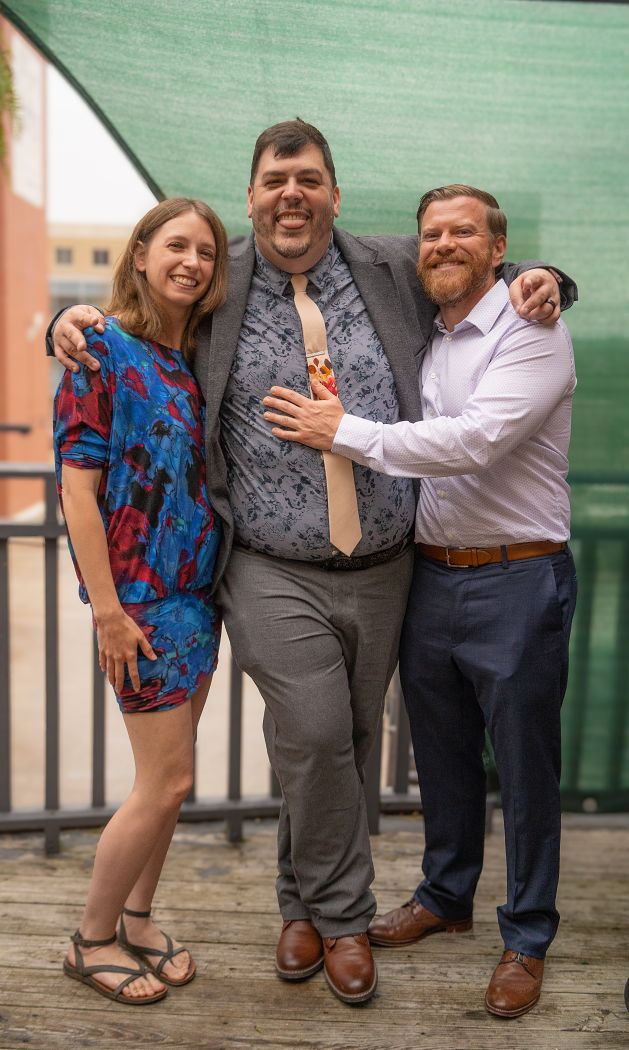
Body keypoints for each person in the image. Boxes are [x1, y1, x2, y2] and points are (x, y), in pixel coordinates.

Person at [49, 123, 575, 1006]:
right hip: (267, 565)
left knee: (345, 741)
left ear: (334, 192)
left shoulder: (390, 264)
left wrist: (548, 279)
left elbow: (473, 265)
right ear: (251, 196)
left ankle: (297, 899)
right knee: (319, 731)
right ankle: (340, 917)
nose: (289, 194)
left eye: (306, 179)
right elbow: (139, 328)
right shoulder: (218, 276)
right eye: (273, 181)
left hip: (386, 565)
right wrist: (66, 323)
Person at [261, 183, 577, 1018]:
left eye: (462, 232)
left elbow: (474, 442)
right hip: (429, 575)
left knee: (524, 766)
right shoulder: (425, 335)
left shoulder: (532, 330)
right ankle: (445, 895)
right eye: (430, 233)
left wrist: (342, 432)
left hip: (517, 577)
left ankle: (526, 934)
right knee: (439, 755)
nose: (441, 244)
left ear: (499, 250)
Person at [53, 197, 227, 1004]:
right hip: (141, 608)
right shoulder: (99, 351)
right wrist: (109, 612)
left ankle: (138, 916)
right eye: (176, 246)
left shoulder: (190, 360)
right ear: (142, 254)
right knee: (164, 782)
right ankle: (91, 942)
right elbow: (77, 493)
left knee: (173, 783)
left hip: (197, 598)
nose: (191, 262)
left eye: (206, 252)